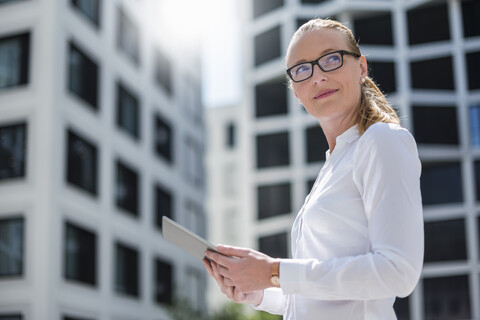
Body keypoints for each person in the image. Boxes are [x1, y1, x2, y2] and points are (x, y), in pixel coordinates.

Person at [203, 18, 423, 320]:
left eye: (332, 59)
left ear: (361, 68)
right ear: (295, 91)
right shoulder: (333, 165)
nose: (317, 77)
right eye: (302, 69)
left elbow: (397, 271)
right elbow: (321, 297)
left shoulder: (382, 140)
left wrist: (273, 272)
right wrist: (257, 290)